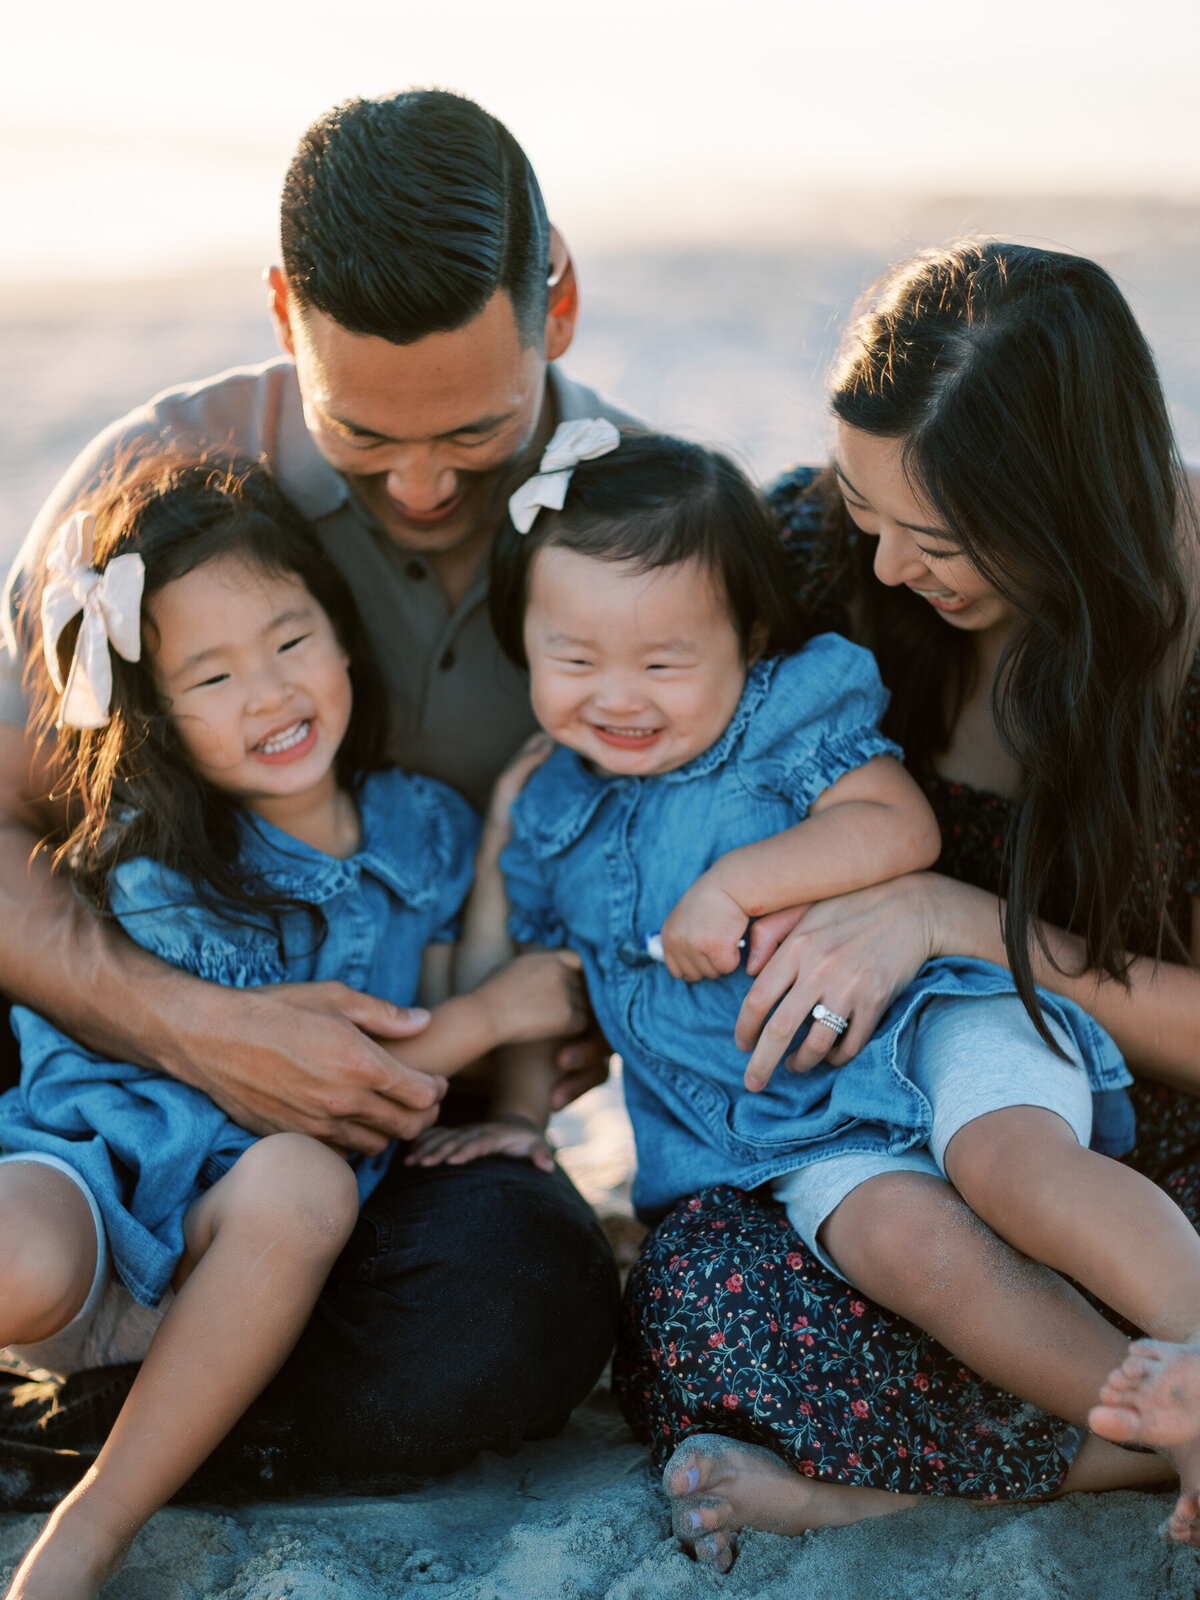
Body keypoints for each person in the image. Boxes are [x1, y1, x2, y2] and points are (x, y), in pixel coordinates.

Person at [0, 88, 625, 1506]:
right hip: (110, 1071)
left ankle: (89, 1429)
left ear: (561, 306)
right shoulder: (151, 483)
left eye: (473, 431)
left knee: (526, 1296)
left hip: (402, 1135)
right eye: (362, 437)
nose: (419, 487)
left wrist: (562, 1021)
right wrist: (194, 1026)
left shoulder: (648, 516)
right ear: (285, 309)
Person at [440, 416, 1200, 1556]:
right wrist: (506, 1106)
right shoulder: (554, 810)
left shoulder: (782, 715)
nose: (620, 696)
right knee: (912, 1247)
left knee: (1011, 1161)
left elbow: (896, 823)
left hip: (934, 1014)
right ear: (525, 641)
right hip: (794, 1133)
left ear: (746, 638)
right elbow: (550, 979)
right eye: (575, 659)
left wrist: (738, 881)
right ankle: (1158, 1417)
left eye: (663, 661)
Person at [614, 239, 1200, 1567]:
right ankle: (1153, 1428)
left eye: (930, 539)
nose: (880, 569)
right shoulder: (824, 554)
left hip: (1125, 1147)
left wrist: (955, 919)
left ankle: (906, 1487)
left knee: (1080, 1224)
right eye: (864, 512)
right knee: (708, 1295)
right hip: (872, 1128)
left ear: (1063, 510)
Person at [0, 454, 590, 1598]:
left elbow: (407, 1052)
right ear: (158, 714)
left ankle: (89, 1528)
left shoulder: (420, 826)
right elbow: (329, 1071)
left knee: (305, 1184)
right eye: (210, 676)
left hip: (252, 1231)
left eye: (288, 640)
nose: (269, 694)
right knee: (19, 1254)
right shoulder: (167, 860)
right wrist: (496, 1010)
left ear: (342, 629)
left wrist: (509, 851)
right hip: (100, 1175)